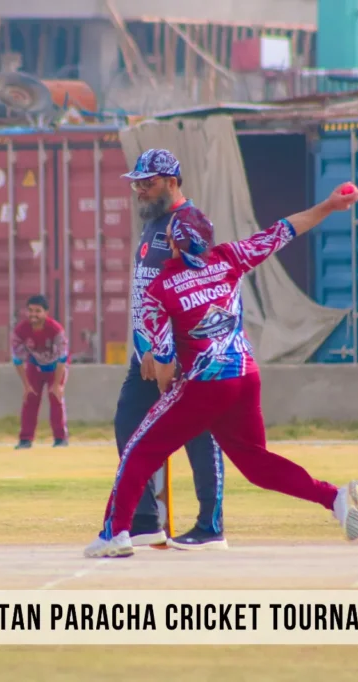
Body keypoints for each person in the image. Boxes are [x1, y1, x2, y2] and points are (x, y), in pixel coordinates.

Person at [84, 182, 358, 558]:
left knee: (139, 450)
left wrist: (170, 395)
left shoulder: (160, 289)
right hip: (245, 377)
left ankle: (116, 534)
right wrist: (329, 205)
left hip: (204, 385)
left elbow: (165, 361)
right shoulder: (228, 257)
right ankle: (334, 497)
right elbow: (284, 230)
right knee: (256, 464)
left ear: (173, 245)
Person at [116, 148, 227, 551]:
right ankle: (145, 520)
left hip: (182, 354)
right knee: (128, 426)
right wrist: (145, 347)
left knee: (198, 434)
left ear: (172, 182)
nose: (140, 191)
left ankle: (210, 527)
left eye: (148, 183)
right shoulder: (154, 223)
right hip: (146, 354)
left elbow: (196, 291)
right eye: (137, 184)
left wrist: (167, 351)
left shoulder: (189, 224)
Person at [10, 295, 69, 449]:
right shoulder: (21, 330)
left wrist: (57, 384)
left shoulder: (56, 330)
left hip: (55, 367)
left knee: (55, 398)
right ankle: (25, 439)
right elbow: (17, 360)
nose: (33, 314)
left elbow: (63, 358)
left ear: (46, 313)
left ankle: (60, 438)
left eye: (37, 311)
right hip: (35, 367)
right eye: (30, 310)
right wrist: (26, 385)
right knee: (30, 399)